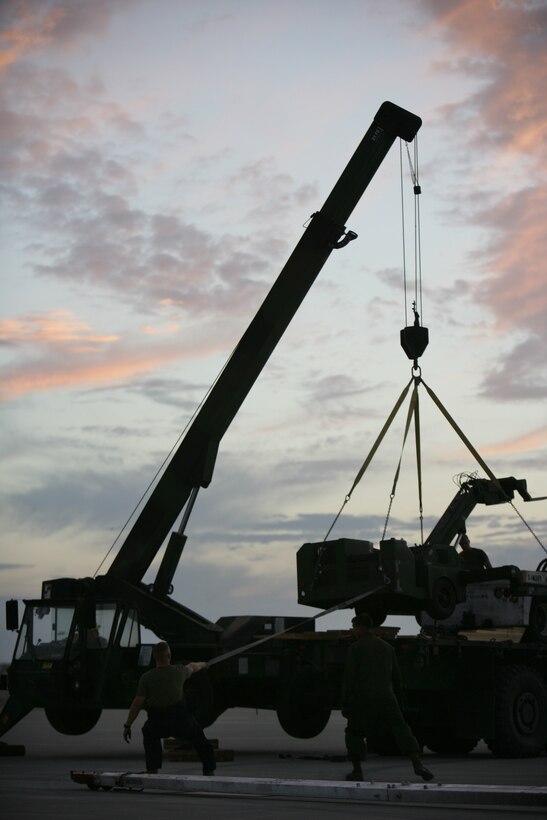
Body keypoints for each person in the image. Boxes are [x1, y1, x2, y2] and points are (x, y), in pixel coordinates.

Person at [342, 613, 434, 782]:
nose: (353, 631)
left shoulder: (355, 648)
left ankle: (357, 770)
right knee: (401, 729)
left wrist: (346, 703)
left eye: (354, 627)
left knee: (353, 733)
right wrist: (399, 701)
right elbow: (397, 678)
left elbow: (350, 679)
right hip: (387, 696)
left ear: (360, 627)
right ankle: (417, 764)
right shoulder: (387, 648)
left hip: (364, 697)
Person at [123, 641, 216, 776]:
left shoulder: (146, 678)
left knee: (148, 733)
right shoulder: (179, 671)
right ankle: (209, 769)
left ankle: (152, 769)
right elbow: (193, 666)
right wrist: (204, 664)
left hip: (158, 722)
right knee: (199, 738)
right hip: (181, 721)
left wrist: (127, 725)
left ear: (155, 657)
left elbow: (137, 704)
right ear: (169, 655)